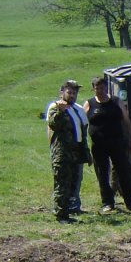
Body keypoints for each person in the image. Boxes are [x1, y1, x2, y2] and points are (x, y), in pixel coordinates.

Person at [84, 76, 131, 214]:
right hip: (98, 146)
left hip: (117, 143)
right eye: (97, 88)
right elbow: (82, 123)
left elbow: (127, 122)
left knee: (124, 172)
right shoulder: (89, 104)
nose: (100, 91)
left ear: (106, 88)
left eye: (102, 88)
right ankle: (108, 203)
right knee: (102, 174)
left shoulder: (116, 102)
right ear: (93, 89)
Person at [46, 79, 91, 223]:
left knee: (73, 183)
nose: (72, 95)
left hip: (76, 152)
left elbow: (83, 129)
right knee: (62, 184)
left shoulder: (78, 108)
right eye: (69, 92)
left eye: (74, 92)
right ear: (62, 93)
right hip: (62, 152)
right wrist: (60, 110)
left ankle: (70, 210)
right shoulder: (55, 107)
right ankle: (61, 215)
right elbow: (53, 124)